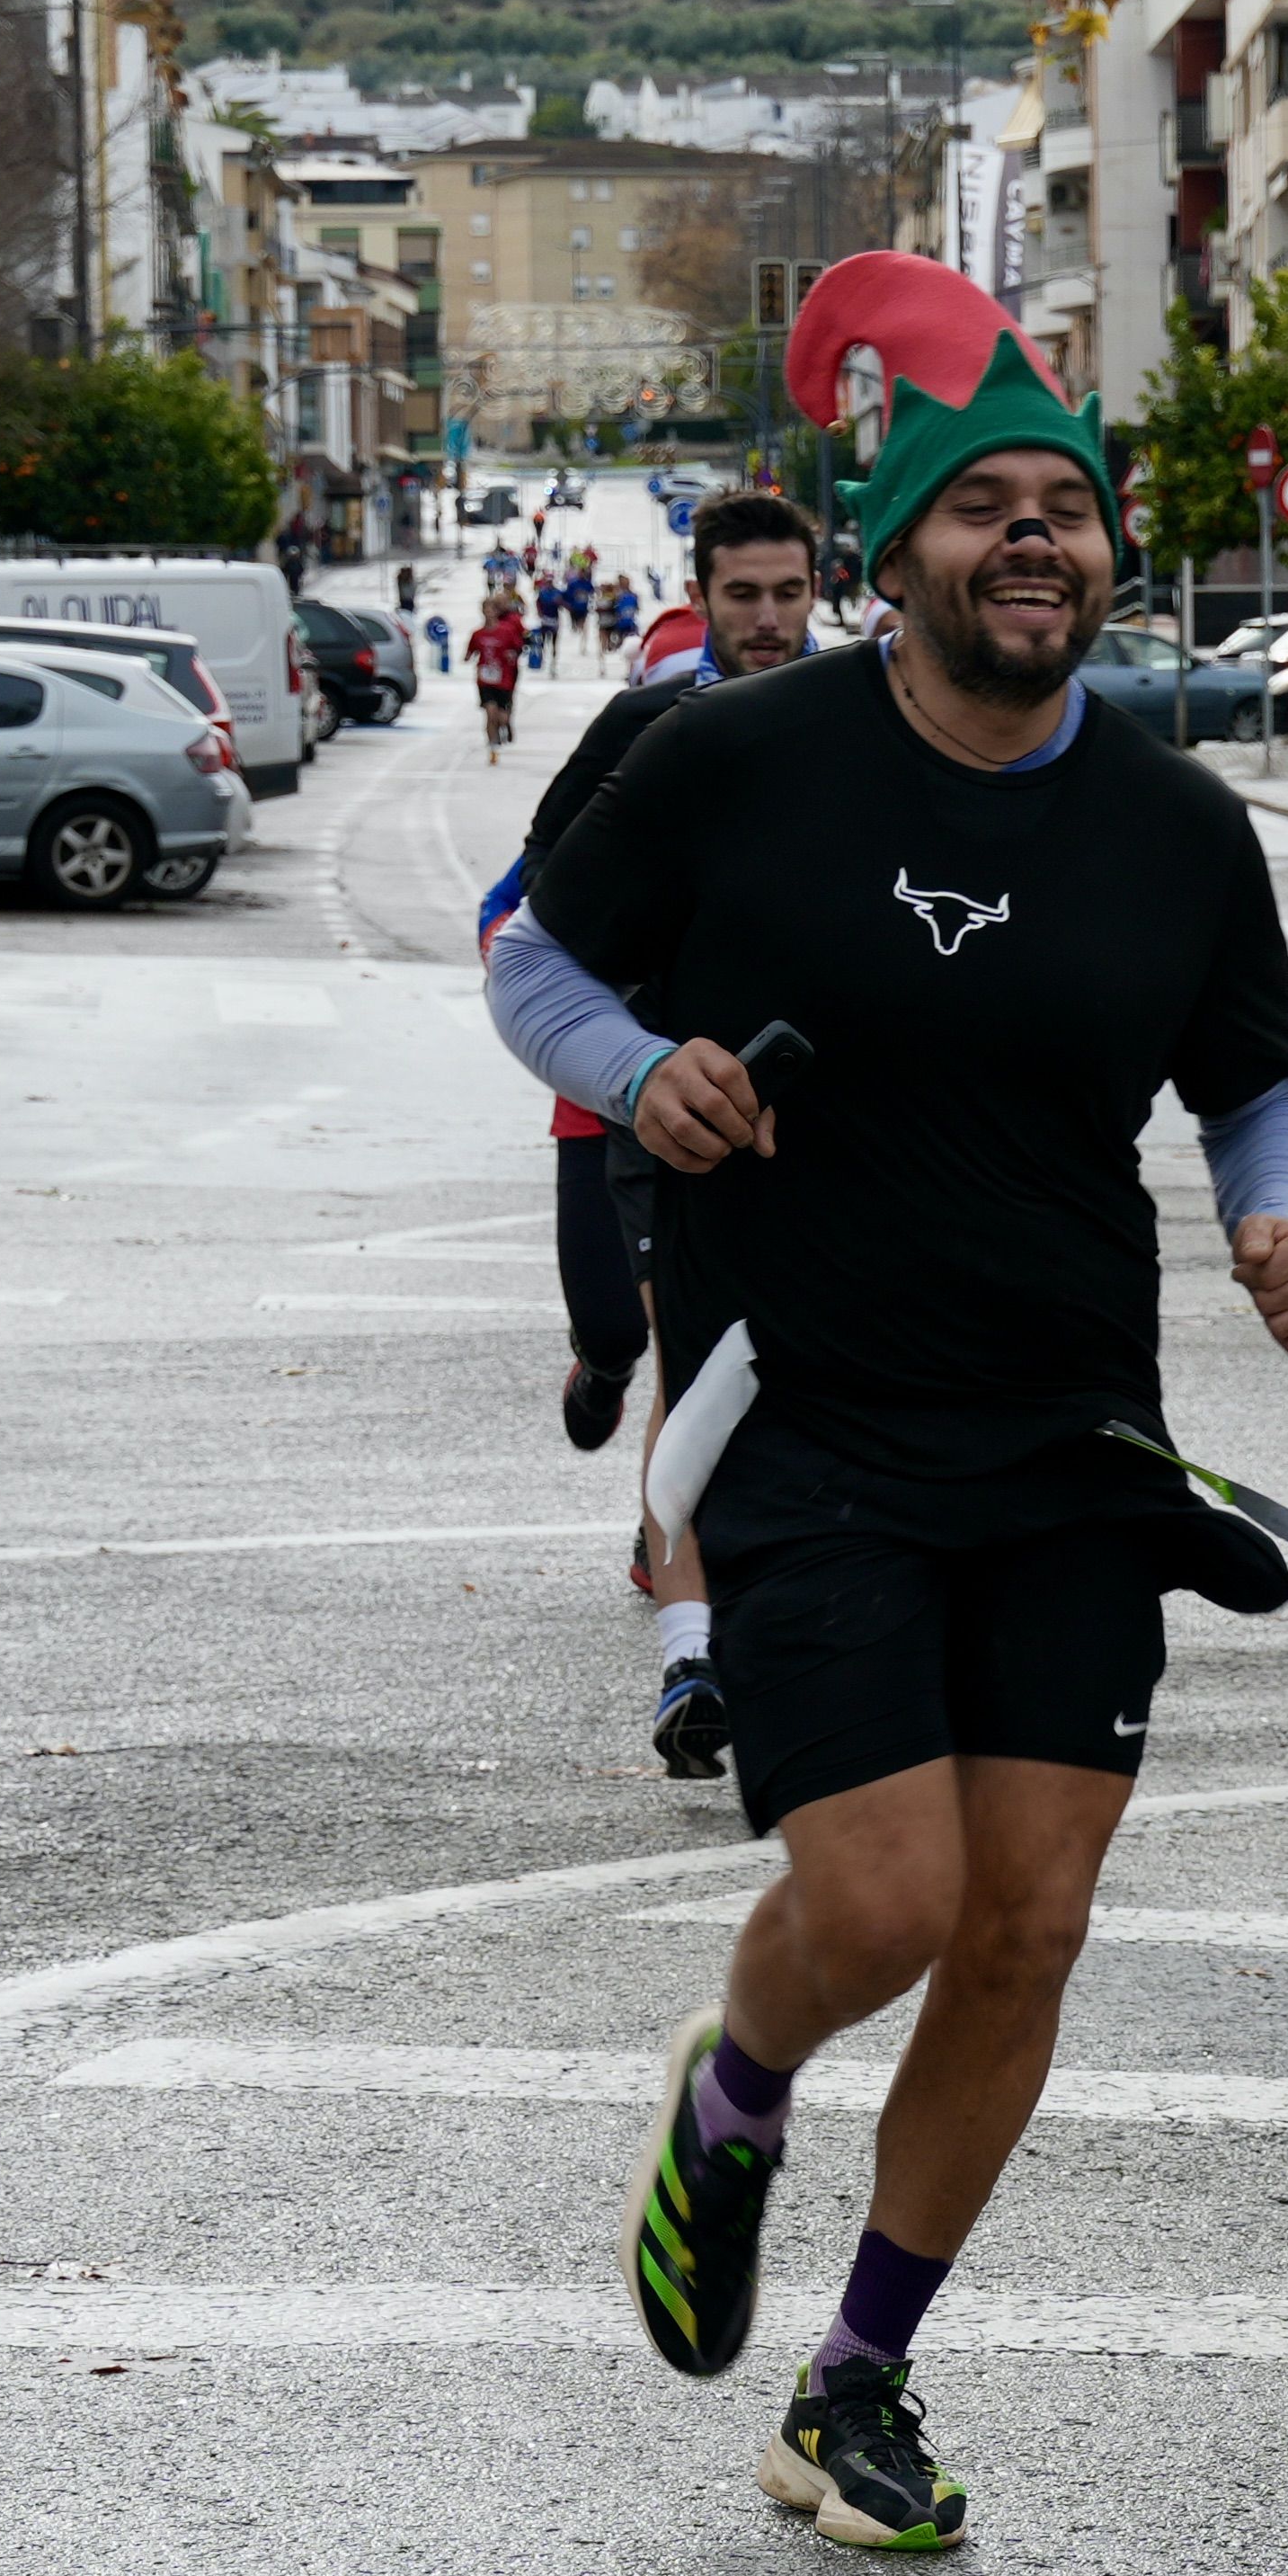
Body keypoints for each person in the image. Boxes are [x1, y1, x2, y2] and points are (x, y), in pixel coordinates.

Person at [484, 255, 1288, 2554]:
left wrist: (1284, 1217)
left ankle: (855, 2377)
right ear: (898, 553)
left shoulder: (1175, 828)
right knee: (878, 1898)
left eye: (1065, 507)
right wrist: (630, 1069)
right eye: (987, 511)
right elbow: (531, 954)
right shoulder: (737, 761)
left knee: (1027, 1923)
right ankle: (738, 2086)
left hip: (1073, 1436)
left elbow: (1258, 1081)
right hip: (811, 1412)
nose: (1032, 541)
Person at [517, 488, 828, 1776]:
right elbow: (545, 907)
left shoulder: (872, 717)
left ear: (819, 589)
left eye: (787, 593)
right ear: (702, 596)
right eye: (740, 596)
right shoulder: (647, 725)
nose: (766, 620)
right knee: (685, 1351)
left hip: (830, 1104)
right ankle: (690, 1654)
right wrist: (636, 1048)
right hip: (674, 1097)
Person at [467, 589, 528, 757]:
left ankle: (506, 723)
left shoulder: (510, 626)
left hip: (505, 677)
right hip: (485, 679)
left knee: (501, 715)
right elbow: (470, 651)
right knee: (490, 712)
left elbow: (520, 643)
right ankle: (492, 746)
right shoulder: (478, 633)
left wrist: (514, 654)